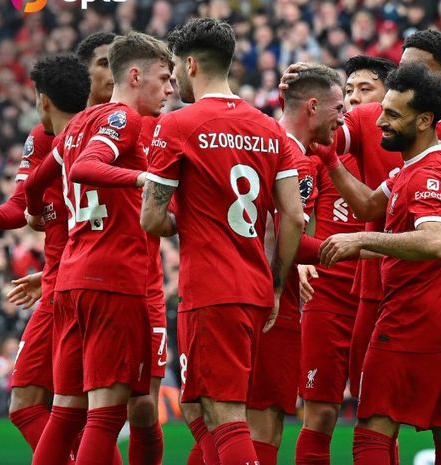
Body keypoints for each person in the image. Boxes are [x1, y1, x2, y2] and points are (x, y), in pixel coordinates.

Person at [140, 18, 303, 465]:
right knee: (197, 405)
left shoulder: (178, 125)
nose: (174, 79)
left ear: (190, 63)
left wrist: (184, 221)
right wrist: (276, 282)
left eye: (176, 68)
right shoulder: (271, 129)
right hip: (253, 287)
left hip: (211, 288)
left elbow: (151, 218)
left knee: (224, 412)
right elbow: (293, 214)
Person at [317, 62, 441, 465]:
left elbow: (432, 241)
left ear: (426, 120)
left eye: (393, 115)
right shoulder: (416, 167)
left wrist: (360, 237)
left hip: (413, 317)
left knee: (372, 430)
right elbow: (367, 206)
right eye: (384, 111)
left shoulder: (425, 175)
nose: (380, 122)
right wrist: (330, 162)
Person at [25, 32, 174, 465]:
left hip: (71, 281)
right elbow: (91, 166)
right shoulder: (123, 121)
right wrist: (141, 179)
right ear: (133, 76)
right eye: (163, 79)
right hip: (113, 280)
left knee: (65, 413)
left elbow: (36, 182)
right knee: (106, 415)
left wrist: (36, 213)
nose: (169, 89)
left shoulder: (73, 126)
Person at [0, 53, 88, 455]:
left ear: (42, 99)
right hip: (57, 283)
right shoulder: (42, 139)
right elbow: (21, 208)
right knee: (35, 404)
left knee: (94, 410)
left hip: (83, 284)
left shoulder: (105, 133)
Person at [294, 55, 393, 465]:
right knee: (319, 413)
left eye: (365, 90)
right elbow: (296, 213)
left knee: (378, 419)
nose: (353, 99)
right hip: (329, 291)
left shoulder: (404, 151)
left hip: (382, 293)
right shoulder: (323, 146)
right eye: (348, 91)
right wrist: (298, 257)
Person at [246, 64, 343, 465]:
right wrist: (360, 246)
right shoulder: (290, 156)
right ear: (314, 106)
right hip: (268, 298)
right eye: (339, 106)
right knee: (261, 417)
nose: (343, 117)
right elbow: (281, 229)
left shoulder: (279, 146)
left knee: (225, 414)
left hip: (243, 288)